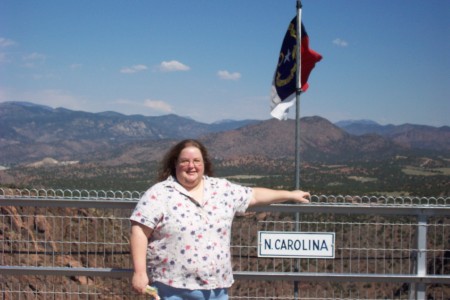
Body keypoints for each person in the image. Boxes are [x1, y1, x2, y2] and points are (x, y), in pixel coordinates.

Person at [130, 139, 310, 299]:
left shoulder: (221, 189)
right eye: (185, 161)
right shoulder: (159, 194)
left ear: (204, 164)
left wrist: (289, 194)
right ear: (175, 164)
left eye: (196, 161)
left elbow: (253, 196)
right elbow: (139, 231)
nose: (191, 166)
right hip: (172, 287)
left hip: (216, 288)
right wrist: (139, 272)